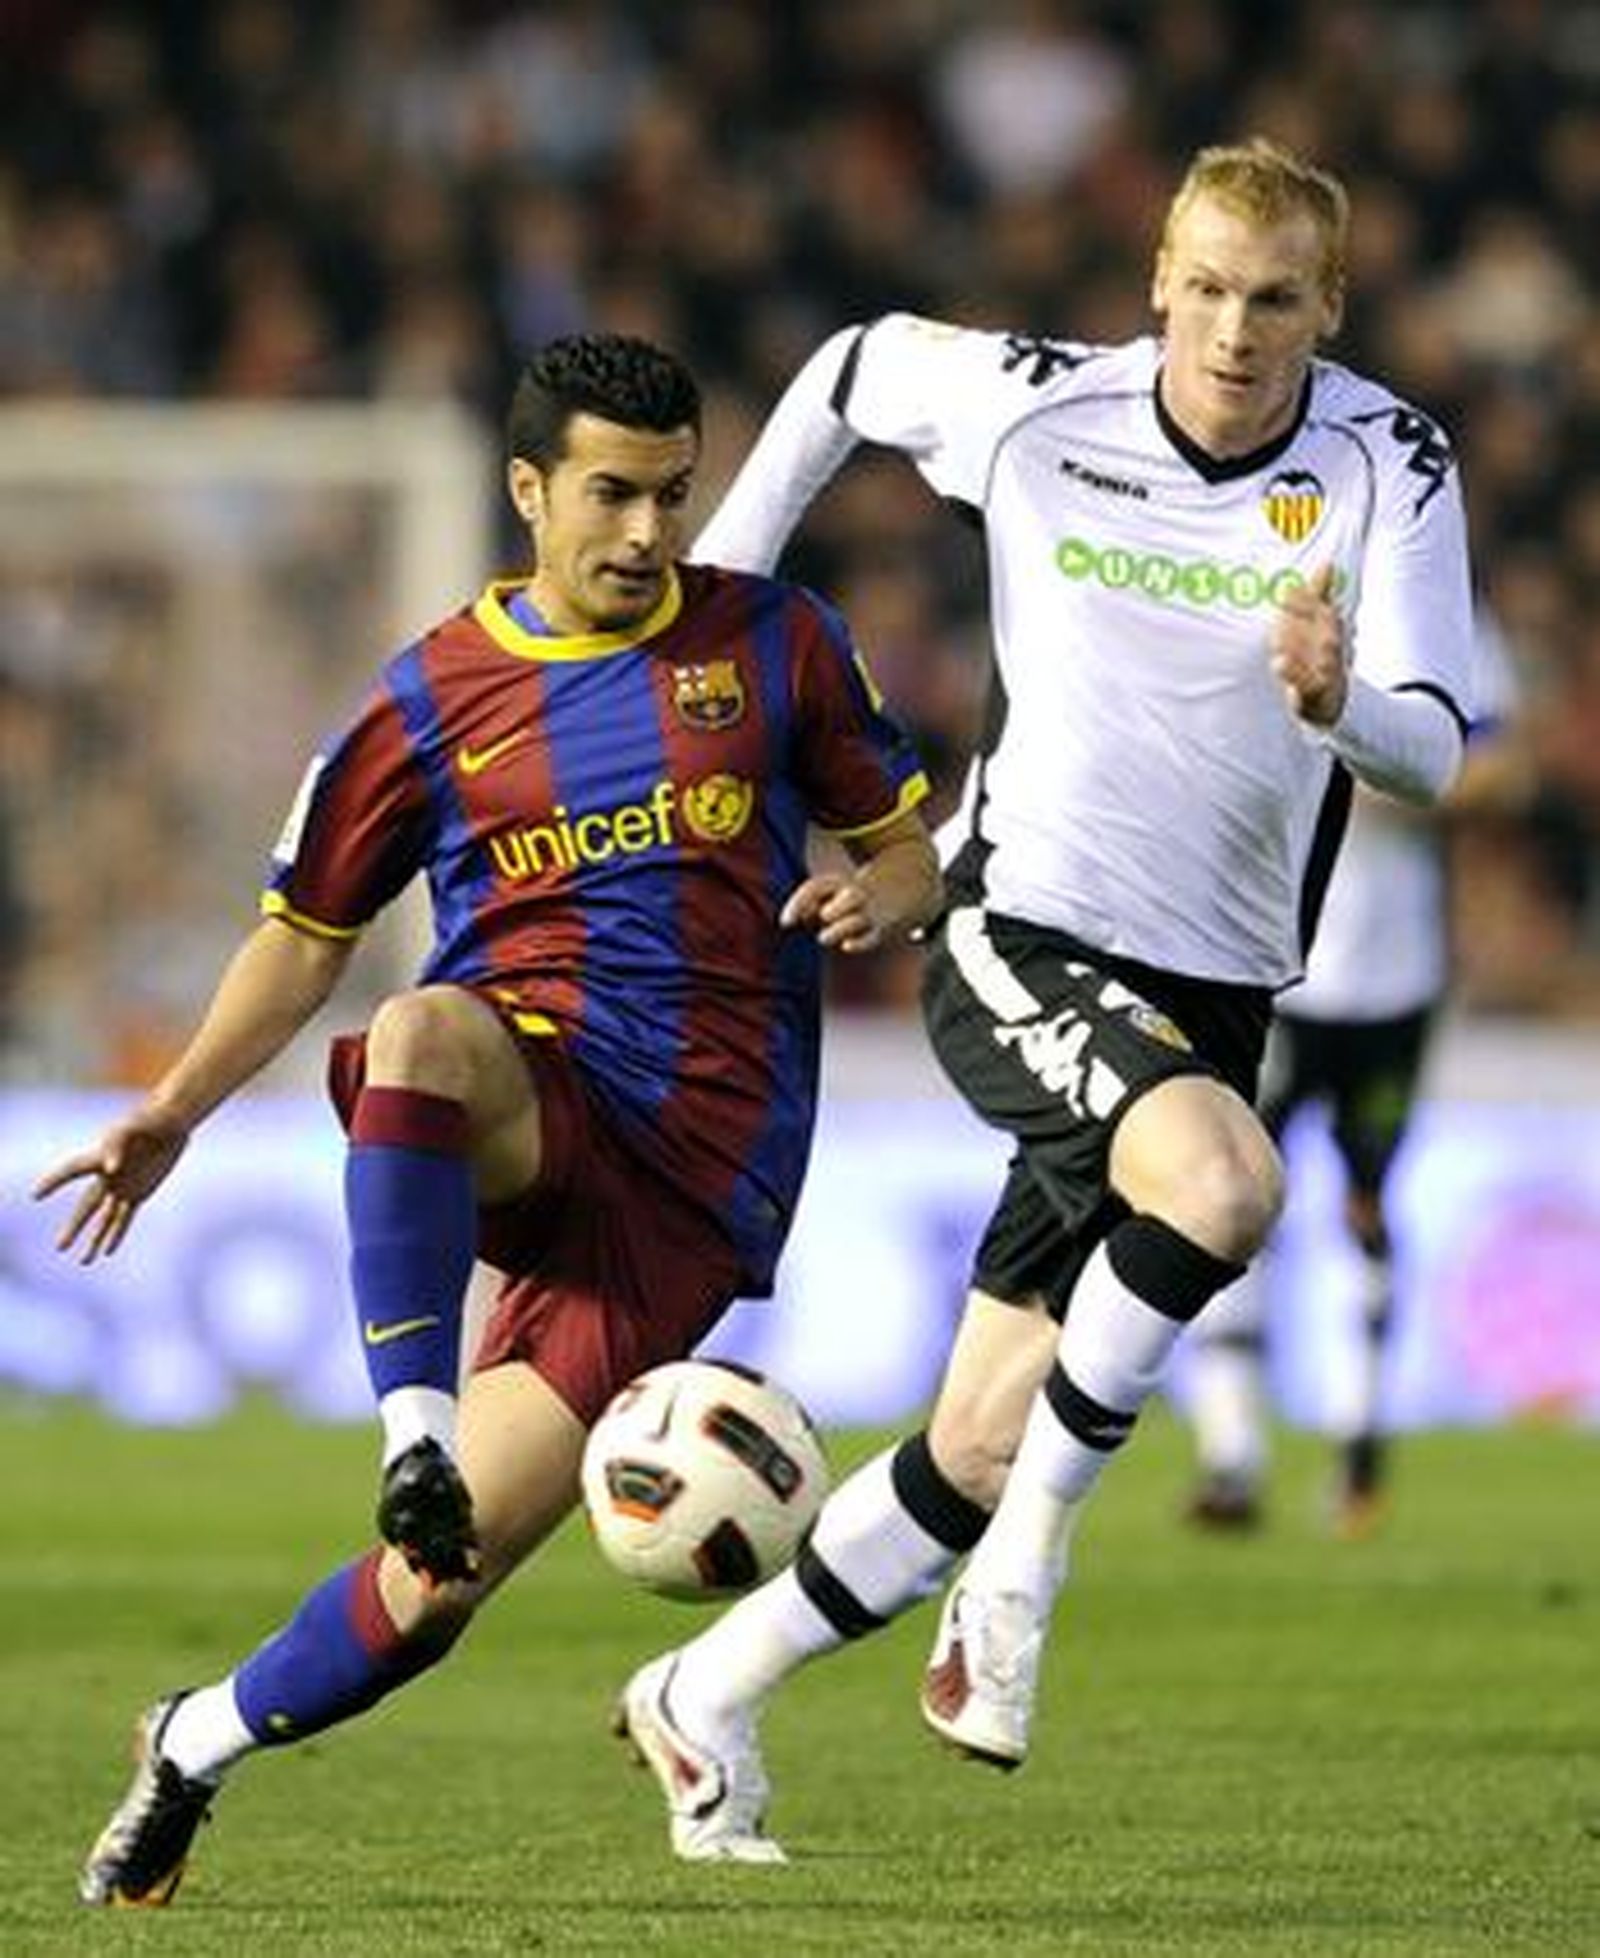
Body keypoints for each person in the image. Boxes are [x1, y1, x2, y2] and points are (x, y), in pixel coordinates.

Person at [612, 137, 1477, 1864]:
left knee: (985, 1436)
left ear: (1331, 309)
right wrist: (719, 611)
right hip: (1021, 926)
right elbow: (853, 366)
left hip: (1215, 986)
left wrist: (1338, 706)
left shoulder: (1393, 458)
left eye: (1278, 299)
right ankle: (1021, 1586)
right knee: (1227, 1187)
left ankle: (701, 1694)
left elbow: (1438, 744)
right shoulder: (1036, 406)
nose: (1236, 331)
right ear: (1159, 281)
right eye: (1209, 289)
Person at [34, 331, 942, 1907]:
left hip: (697, 1185)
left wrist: (880, 893)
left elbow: (910, 848)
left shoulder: (779, 645)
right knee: (421, 1027)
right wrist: (174, 1109)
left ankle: (191, 1739)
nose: (649, 532)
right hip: (529, 1093)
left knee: (432, 1596)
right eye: (612, 493)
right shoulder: (433, 697)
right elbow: (304, 934)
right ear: (528, 489)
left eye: (673, 494)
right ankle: (411, 1434)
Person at [1185, 614, 1528, 1536]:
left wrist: (1393, 773)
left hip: (1396, 978)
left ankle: (1362, 1445)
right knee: (1232, 1201)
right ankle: (1232, 1456)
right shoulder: (1258, 601)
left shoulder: (1450, 627)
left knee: (1367, 1206)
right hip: (1273, 964)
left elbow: (1502, 769)